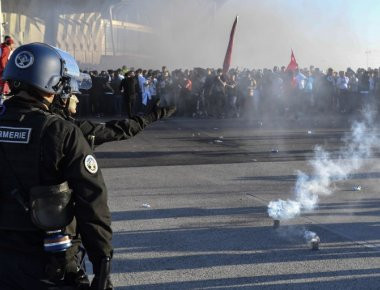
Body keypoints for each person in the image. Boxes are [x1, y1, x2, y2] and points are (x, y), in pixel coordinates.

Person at [0, 42, 113, 289]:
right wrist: (102, 262)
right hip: (49, 263)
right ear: (53, 83)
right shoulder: (61, 131)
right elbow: (92, 202)